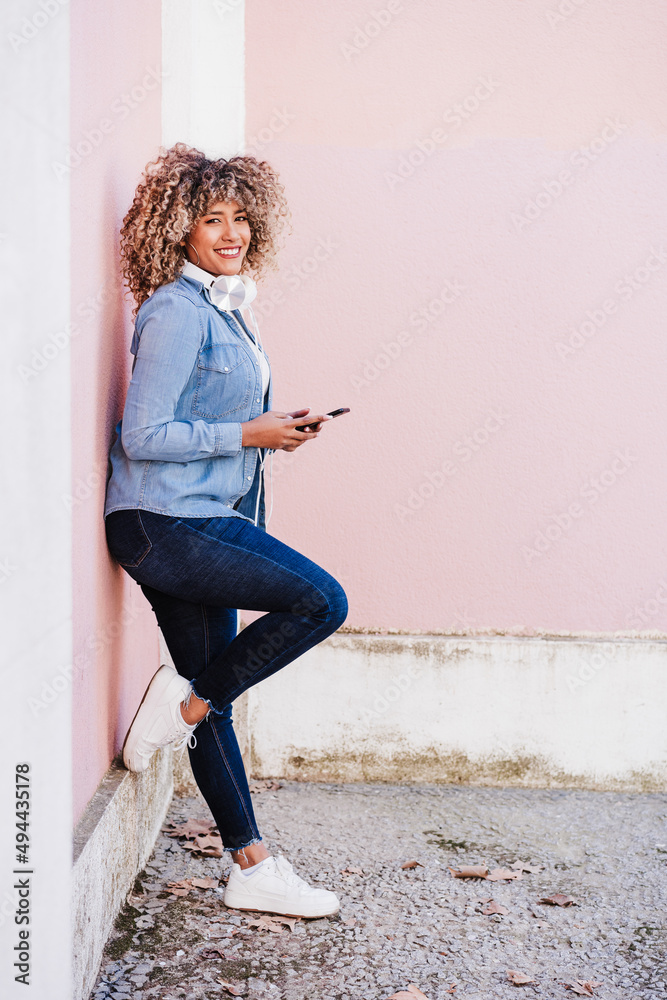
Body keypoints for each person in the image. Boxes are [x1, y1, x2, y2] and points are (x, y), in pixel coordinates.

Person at [104, 143, 348, 919]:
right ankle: (179, 708)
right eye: (212, 218)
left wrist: (273, 431)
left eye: (240, 217)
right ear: (178, 227)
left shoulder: (226, 310)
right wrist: (248, 434)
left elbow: (219, 421)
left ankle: (251, 867)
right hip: (162, 524)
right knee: (321, 601)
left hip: (199, 519)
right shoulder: (174, 310)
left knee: (216, 690)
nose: (230, 231)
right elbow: (142, 435)